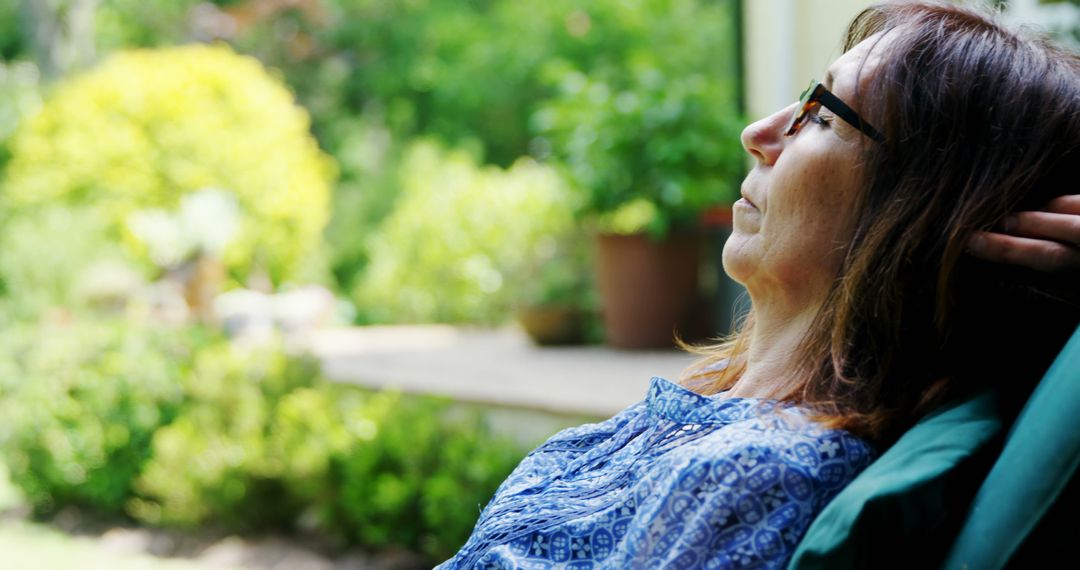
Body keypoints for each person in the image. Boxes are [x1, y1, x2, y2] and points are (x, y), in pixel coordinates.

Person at [438, 3, 1080, 568]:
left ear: (927, 209)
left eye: (824, 114)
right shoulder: (727, 416)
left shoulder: (756, 479)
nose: (758, 135)